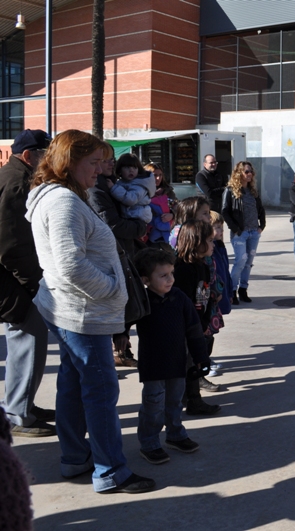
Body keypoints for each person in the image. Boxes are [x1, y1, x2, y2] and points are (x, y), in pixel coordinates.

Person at [26, 129, 155, 494]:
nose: (102, 169)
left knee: (72, 383)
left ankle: (75, 457)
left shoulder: (62, 196)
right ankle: (111, 471)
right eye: (94, 162)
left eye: (104, 161)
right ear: (69, 162)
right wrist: (114, 291)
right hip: (84, 313)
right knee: (99, 392)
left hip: (72, 309)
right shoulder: (63, 202)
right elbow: (71, 264)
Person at [0, 129, 55, 437]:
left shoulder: (16, 177)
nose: (49, 160)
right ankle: (18, 414)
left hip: (12, 278)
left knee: (26, 341)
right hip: (12, 281)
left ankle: (23, 405)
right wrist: (33, 284)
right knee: (27, 340)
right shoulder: (18, 182)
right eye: (45, 155)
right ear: (28, 156)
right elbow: (12, 245)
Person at [132, 248, 208, 464]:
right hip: (153, 365)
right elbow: (124, 320)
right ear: (146, 279)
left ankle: (175, 434)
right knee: (153, 404)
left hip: (178, 363)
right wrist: (120, 335)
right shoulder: (142, 301)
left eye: (171, 274)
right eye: (163, 275)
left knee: (174, 402)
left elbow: (194, 329)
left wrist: (201, 357)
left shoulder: (180, 298)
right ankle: (149, 442)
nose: (170, 279)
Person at [88, 148, 148, 368]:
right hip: (113, 254)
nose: (111, 164)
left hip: (124, 250)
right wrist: (140, 226)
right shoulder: (96, 189)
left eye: (113, 160)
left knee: (126, 305)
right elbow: (113, 225)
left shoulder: (112, 183)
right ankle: (117, 352)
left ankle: (122, 350)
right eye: (106, 160)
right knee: (119, 306)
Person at [173, 220, 224, 413]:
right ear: (196, 242)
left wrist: (204, 320)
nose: (213, 244)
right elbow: (183, 303)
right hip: (185, 327)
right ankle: (191, 401)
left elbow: (204, 295)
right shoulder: (183, 270)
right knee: (188, 364)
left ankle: (190, 399)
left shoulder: (202, 265)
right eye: (209, 240)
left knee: (193, 362)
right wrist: (194, 325)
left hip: (197, 325)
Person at [222, 161, 265, 304]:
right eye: (246, 171)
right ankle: (232, 291)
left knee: (248, 263)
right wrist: (235, 229)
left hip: (254, 232)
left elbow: (261, 209)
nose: (250, 174)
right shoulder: (230, 190)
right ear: (238, 173)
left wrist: (262, 225)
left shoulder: (253, 191)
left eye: (251, 171)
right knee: (240, 260)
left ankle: (243, 290)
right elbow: (225, 211)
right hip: (240, 233)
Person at [110, 154, 155, 223]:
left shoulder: (140, 185)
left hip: (138, 217)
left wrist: (113, 188)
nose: (131, 170)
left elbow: (131, 199)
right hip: (130, 216)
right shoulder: (122, 182)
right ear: (119, 170)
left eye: (134, 167)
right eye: (127, 167)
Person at [144, 162, 174, 249]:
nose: (158, 178)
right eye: (154, 175)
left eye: (160, 175)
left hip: (167, 234)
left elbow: (178, 207)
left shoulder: (168, 191)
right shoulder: (141, 191)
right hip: (148, 235)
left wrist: (172, 214)